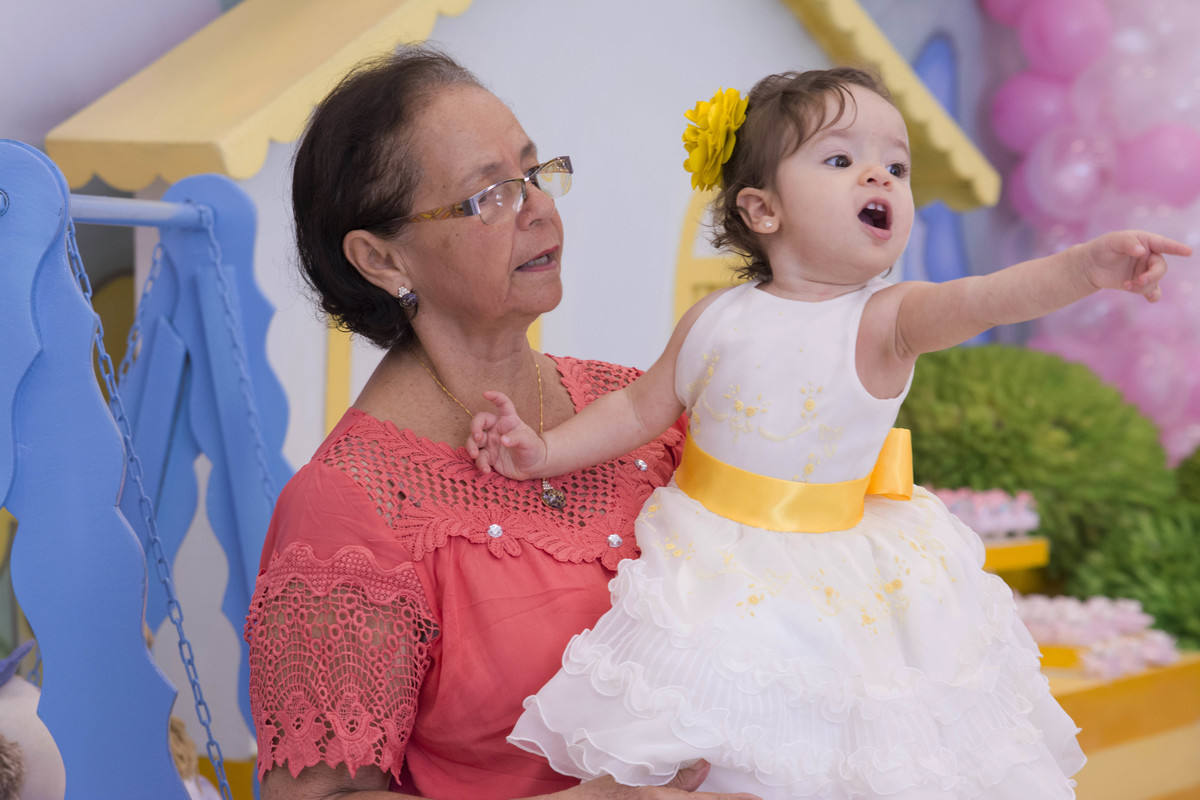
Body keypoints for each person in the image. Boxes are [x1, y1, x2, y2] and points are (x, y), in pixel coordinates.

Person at [466, 67, 1191, 798]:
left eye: (897, 166)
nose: (880, 173)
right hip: (712, 549)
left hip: (834, 572)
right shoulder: (718, 317)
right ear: (763, 210)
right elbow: (635, 410)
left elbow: (986, 300)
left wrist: (1083, 268)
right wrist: (545, 449)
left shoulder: (886, 320)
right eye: (841, 159)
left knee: (833, 746)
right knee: (719, 732)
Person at [244, 45, 761, 800]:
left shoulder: (644, 414)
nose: (541, 208)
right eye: (489, 194)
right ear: (382, 259)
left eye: (533, 172)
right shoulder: (348, 508)